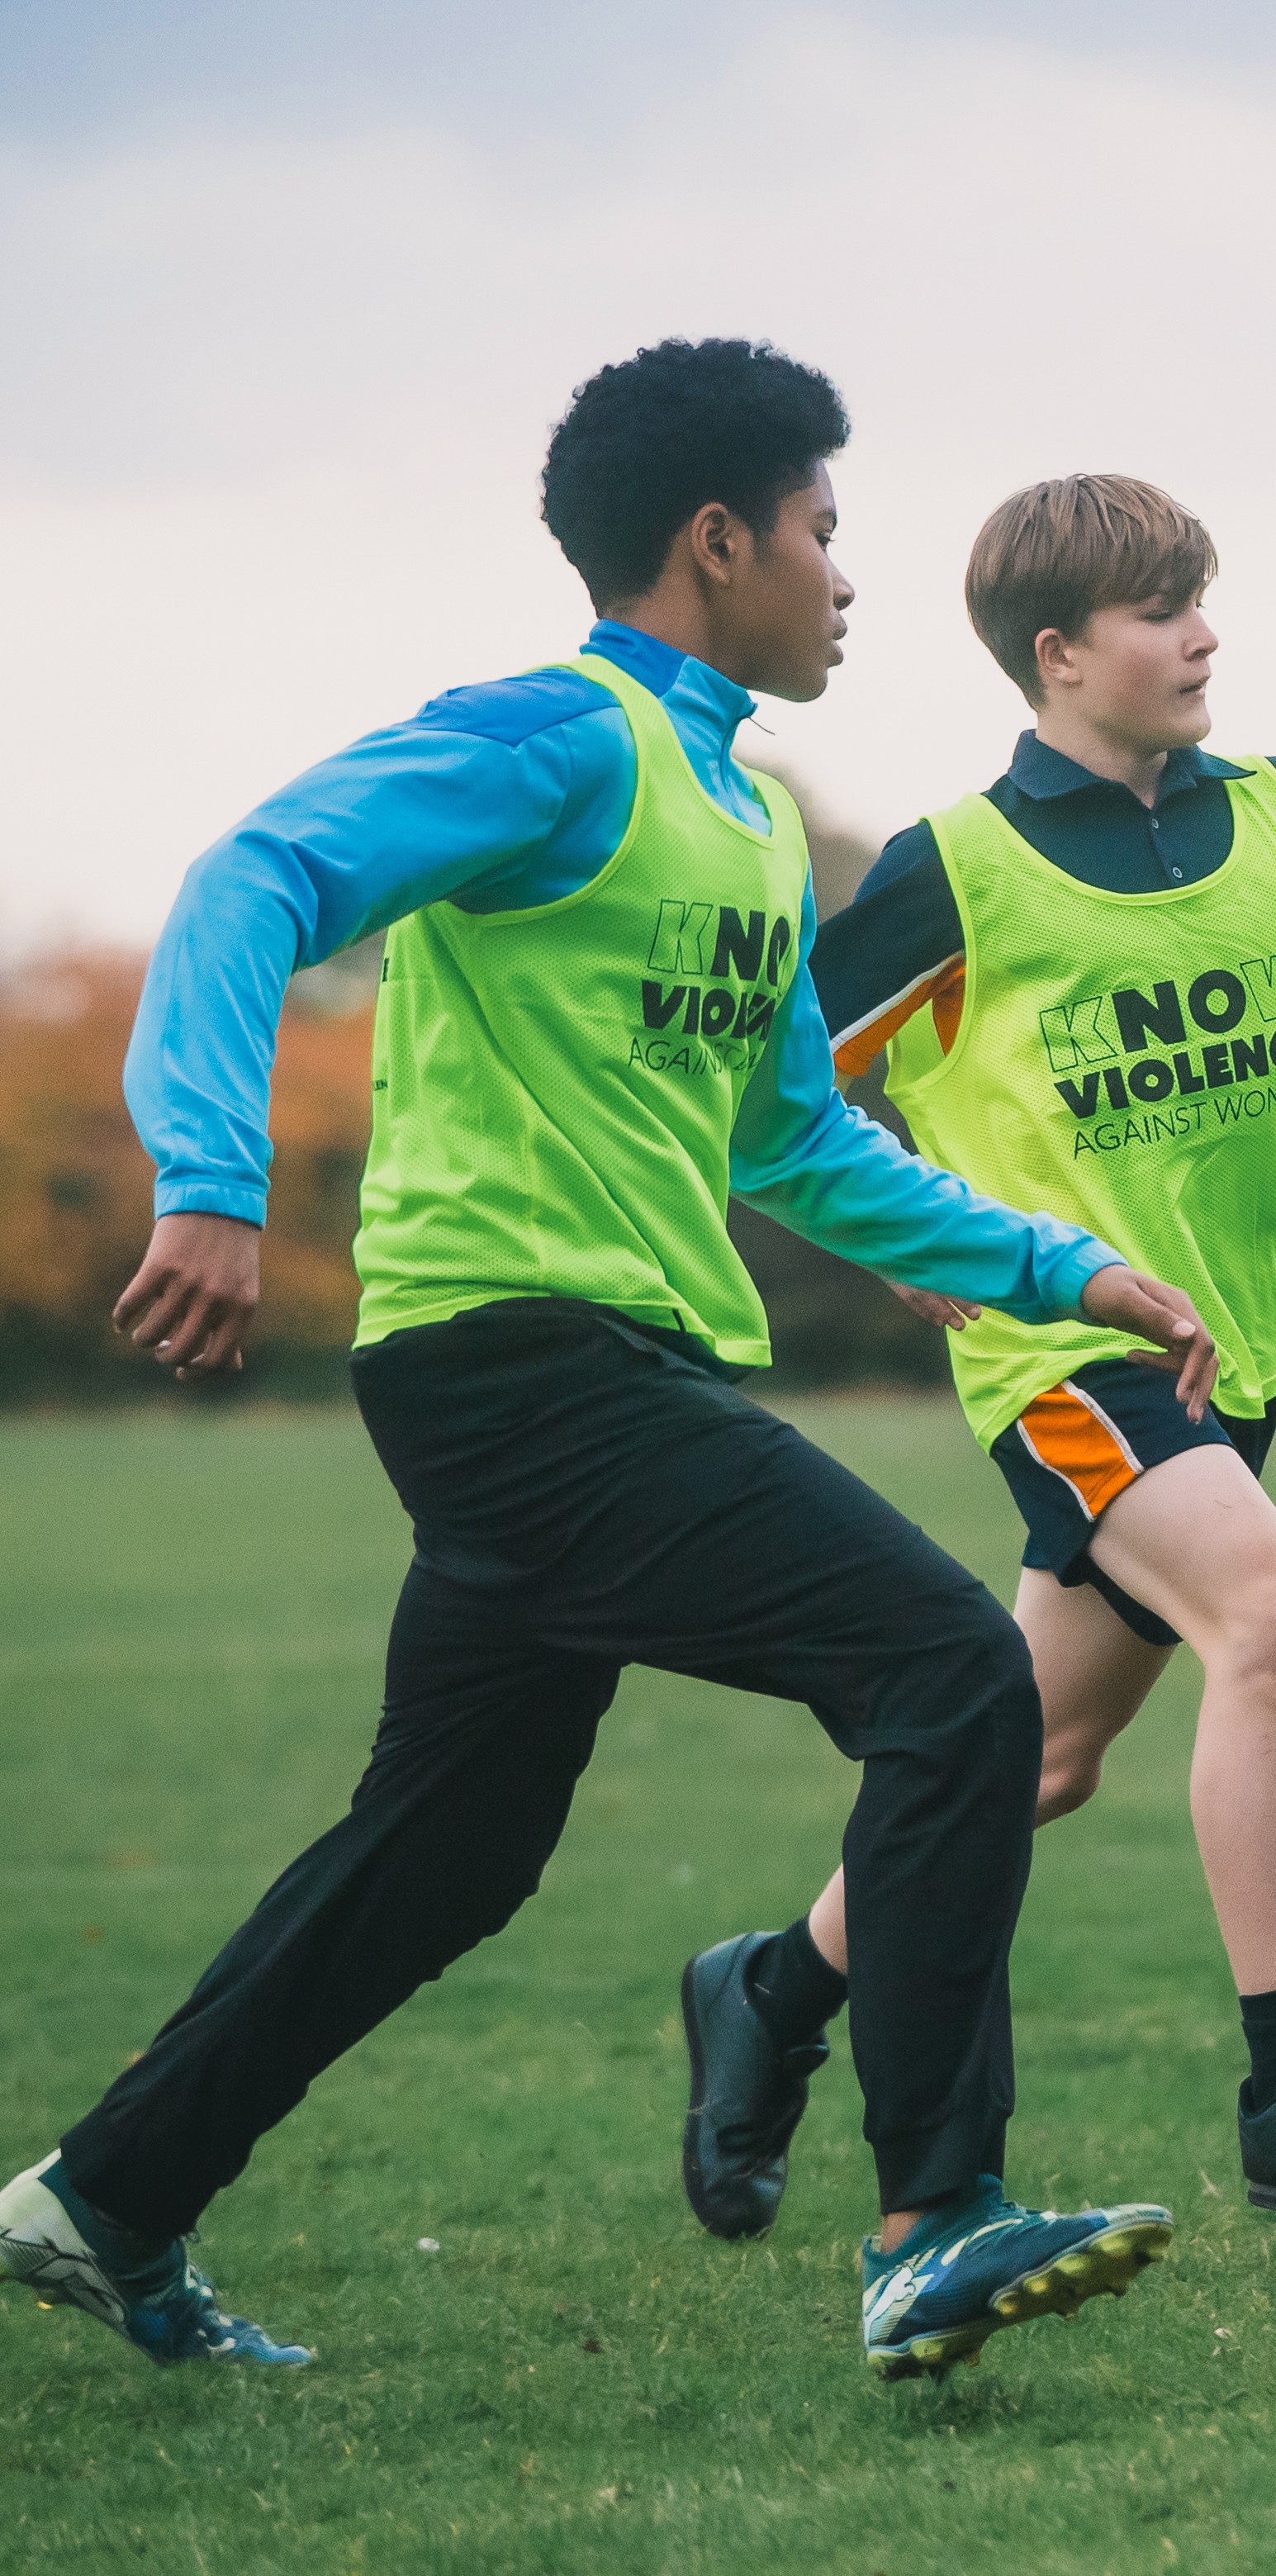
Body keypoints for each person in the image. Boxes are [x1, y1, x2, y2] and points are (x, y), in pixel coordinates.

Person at [0, 341, 1206, 2380]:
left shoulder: (742, 813)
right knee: (944, 1678)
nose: (846, 578)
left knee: (450, 1853)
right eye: (823, 532)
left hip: (608, 1369)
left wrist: (1048, 1266)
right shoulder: (554, 743)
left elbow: (791, 1143)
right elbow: (252, 882)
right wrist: (210, 1176)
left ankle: (102, 2200)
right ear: (715, 541)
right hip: (520, 1364)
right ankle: (934, 2221)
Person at [672, 474, 1276, 2244]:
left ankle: (768, 1994)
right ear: (1056, 657)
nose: (1202, 634)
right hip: (1067, 1357)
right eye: (1160, 609)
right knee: (1272, 1623)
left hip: (1235, 1360)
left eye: (1201, 597)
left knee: (1029, 1762)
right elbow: (769, 1095)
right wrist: (915, 1240)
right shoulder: (950, 869)